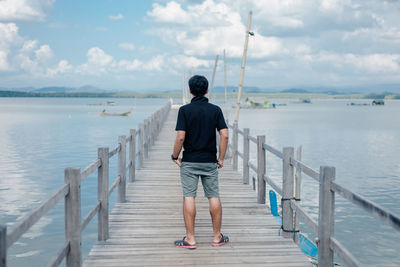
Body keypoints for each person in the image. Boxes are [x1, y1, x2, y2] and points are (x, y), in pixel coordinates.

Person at [171, 75, 229, 249]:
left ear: (190, 90)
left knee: (189, 196)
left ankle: (190, 239)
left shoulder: (184, 110)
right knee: (213, 196)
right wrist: (221, 158)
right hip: (210, 161)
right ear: (206, 90)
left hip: (189, 161)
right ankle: (217, 237)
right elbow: (225, 135)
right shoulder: (215, 110)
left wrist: (175, 156)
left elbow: (180, 137)